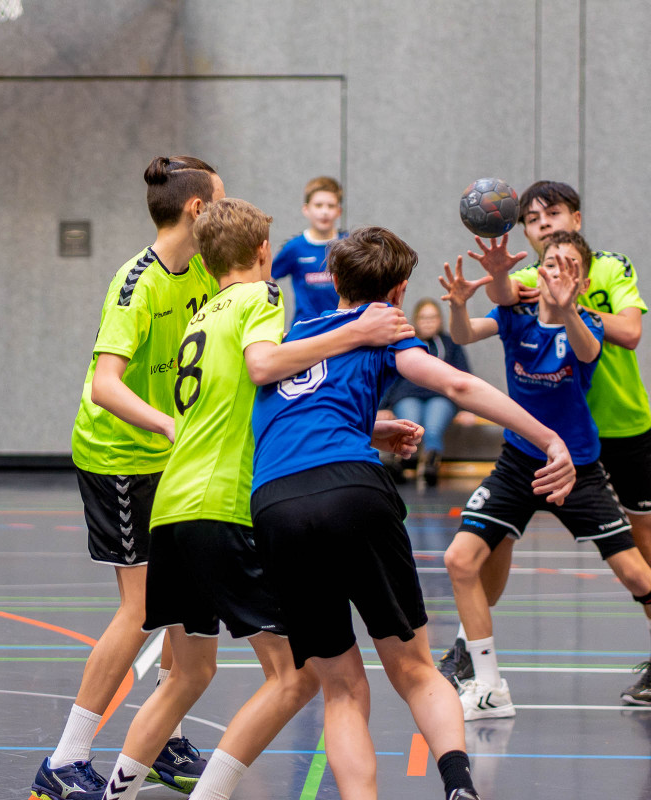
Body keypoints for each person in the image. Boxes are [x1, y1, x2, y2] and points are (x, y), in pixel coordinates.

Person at [96, 200, 418, 800]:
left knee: (186, 675)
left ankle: (116, 793)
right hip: (223, 506)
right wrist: (358, 332)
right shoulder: (261, 299)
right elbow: (265, 367)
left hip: (173, 507)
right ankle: (210, 795)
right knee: (296, 676)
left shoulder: (202, 315)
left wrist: (371, 428)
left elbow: (247, 405)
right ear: (264, 252)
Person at [249, 226, 575, 800]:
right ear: (399, 291)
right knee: (415, 669)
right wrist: (548, 437)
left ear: (335, 279)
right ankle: (459, 787)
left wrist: (370, 426)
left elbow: (296, 413)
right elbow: (457, 385)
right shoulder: (385, 329)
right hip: (351, 489)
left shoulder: (293, 337)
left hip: (275, 502)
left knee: (342, 690)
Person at [29, 155, 224, 800]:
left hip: (171, 455)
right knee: (141, 609)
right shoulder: (134, 284)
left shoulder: (205, 270)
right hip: (118, 455)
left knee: (180, 598)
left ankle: (163, 738)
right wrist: (168, 425)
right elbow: (105, 385)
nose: (227, 209)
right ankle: (65, 760)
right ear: (197, 208)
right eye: (222, 200)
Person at [436, 181, 651, 706]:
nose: (546, 230)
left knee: (636, 563)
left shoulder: (599, 291)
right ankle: (482, 673)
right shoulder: (523, 301)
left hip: (593, 450)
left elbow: (612, 339)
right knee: (472, 555)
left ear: (576, 219)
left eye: (553, 215)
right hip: (524, 457)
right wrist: (481, 289)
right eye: (533, 220)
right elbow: (492, 308)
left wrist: (571, 307)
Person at [379, 298, 476, 486]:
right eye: (423, 318)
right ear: (416, 320)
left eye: (432, 318)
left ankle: (431, 463)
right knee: (409, 425)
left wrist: (467, 409)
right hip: (408, 395)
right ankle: (400, 462)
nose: (428, 322)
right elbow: (392, 376)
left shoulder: (451, 344)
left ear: (440, 320)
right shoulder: (405, 342)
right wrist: (383, 407)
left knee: (433, 427)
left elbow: (463, 375)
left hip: (440, 396)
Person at [270, 175, 346, 323]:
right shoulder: (294, 247)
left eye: (331, 206)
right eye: (318, 205)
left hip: (341, 326)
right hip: (306, 328)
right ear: (306, 209)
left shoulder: (349, 245)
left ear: (339, 211)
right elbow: (268, 279)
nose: (324, 212)